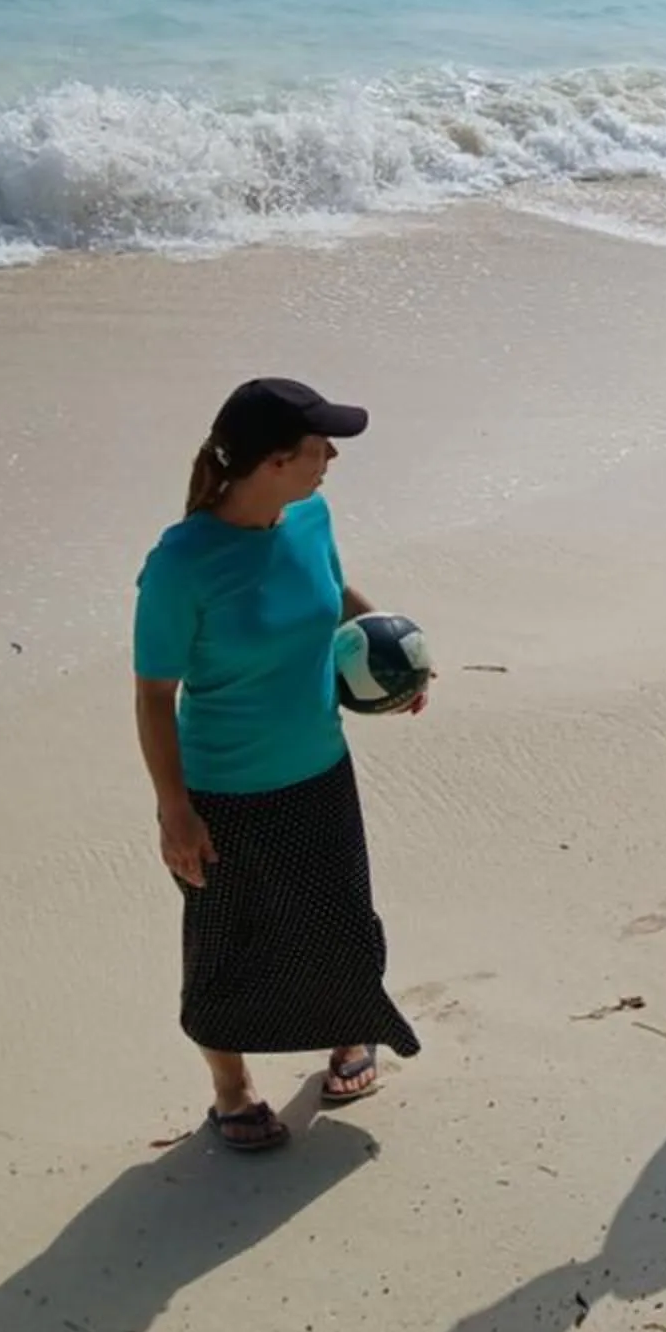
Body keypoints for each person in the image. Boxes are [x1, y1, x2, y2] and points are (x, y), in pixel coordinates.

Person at [133, 377, 425, 1153]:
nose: (331, 457)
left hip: (320, 770)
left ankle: (350, 1033)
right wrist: (174, 810)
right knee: (226, 943)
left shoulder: (310, 514)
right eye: (316, 448)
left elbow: (332, 596)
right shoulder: (181, 564)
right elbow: (155, 694)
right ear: (269, 463)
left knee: (342, 926)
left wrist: (395, 650)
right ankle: (232, 1089)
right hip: (221, 794)